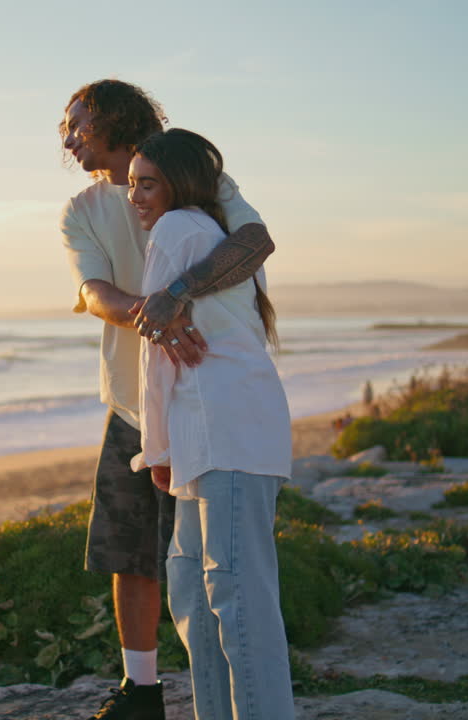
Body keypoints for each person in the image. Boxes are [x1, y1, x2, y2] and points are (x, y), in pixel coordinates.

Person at [59, 79, 275, 720]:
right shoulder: (82, 208)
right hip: (135, 399)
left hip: (205, 398)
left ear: (116, 120)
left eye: (78, 125)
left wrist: (177, 292)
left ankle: (243, 697)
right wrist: (151, 311)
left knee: (216, 569)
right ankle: (142, 691)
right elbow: (94, 292)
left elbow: (255, 241)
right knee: (135, 552)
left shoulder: (189, 175)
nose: (69, 140)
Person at [128, 128, 294, 720]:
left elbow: (156, 351)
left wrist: (156, 448)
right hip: (222, 432)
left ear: (178, 182)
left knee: (236, 598)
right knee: (196, 592)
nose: (136, 197)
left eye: (147, 183)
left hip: (226, 432)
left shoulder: (179, 228)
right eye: (131, 185)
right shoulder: (216, 230)